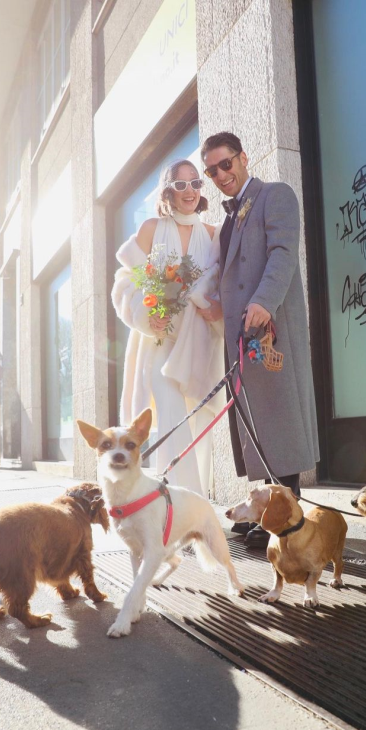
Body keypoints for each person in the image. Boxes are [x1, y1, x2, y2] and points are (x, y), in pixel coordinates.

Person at [199, 131, 320, 547]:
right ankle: (267, 514)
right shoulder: (229, 219)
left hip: (271, 326)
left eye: (225, 164)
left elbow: (283, 252)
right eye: (211, 170)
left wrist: (265, 301)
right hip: (240, 333)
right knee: (255, 421)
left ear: (243, 158)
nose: (219, 174)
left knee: (279, 417)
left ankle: (289, 519)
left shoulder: (276, 194)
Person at [112, 159, 224, 496]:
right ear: (168, 191)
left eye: (195, 184)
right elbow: (125, 283)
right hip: (159, 345)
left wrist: (215, 309)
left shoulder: (214, 235)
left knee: (198, 426)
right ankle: (174, 506)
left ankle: (195, 507)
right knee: (172, 421)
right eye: (181, 184)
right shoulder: (150, 228)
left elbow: (222, 289)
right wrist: (146, 317)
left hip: (198, 346)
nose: (189, 191)